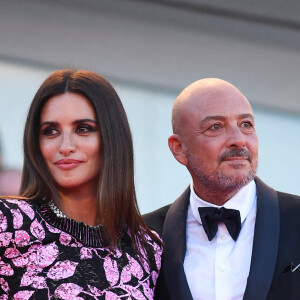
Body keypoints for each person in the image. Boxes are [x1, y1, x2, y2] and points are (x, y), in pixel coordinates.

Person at [0, 69, 162, 299]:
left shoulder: (147, 249)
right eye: (51, 131)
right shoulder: (8, 222)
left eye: (83, 129)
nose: (65, 145)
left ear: (111, 138)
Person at [144, 78, 300, 300]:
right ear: (179, 148)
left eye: (246, 124)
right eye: (215, 127)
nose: (239, 140)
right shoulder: (140, 237)